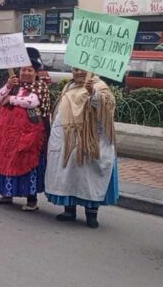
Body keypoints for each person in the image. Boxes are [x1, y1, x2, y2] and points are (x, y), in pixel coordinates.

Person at [45, 67, 119, 229]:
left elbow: (106, 106)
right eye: (75, 69)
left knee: (89, 178)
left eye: (82, 70)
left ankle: (91, 214)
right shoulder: (69, 87)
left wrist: (93, 94)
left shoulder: (100, 86)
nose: (78, 72)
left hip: (90, 142)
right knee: (68, 175)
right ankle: (69, 211)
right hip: (68, 142)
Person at [0, 47, 52, 210]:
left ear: (35, 72)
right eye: (23, 69)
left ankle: (31, 200)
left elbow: (32, 102)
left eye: (29, 70)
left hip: (30, 136)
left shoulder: (40, 87)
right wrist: (7, 86)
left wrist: (11, 99)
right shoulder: (14, 84)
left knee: (29, 163)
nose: (26, 73)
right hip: (8, 136)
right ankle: (6, 194)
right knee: (7, 160)